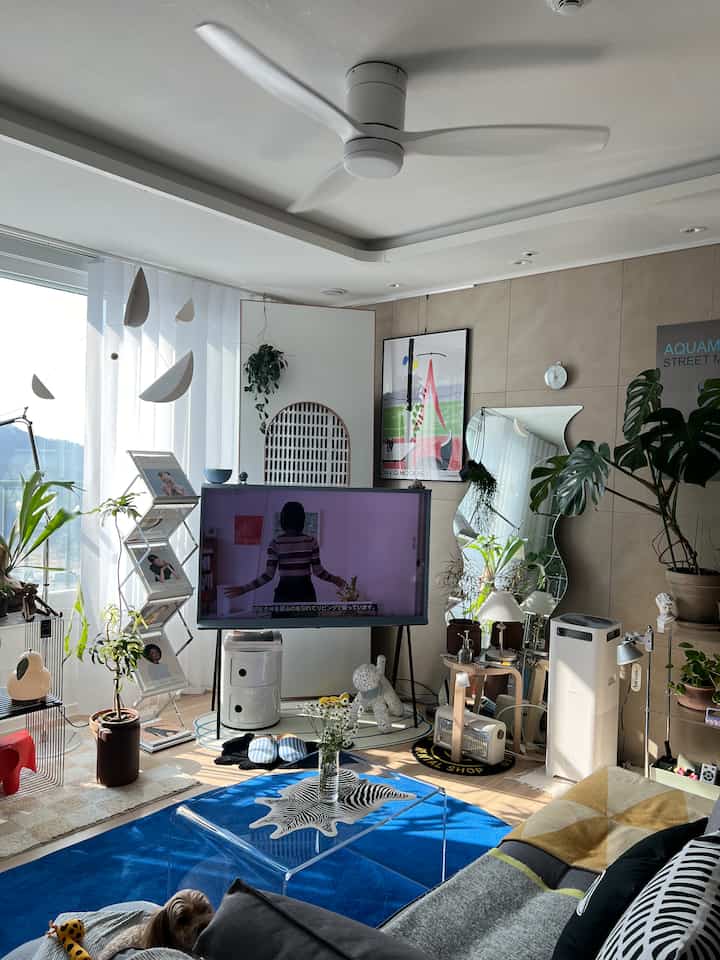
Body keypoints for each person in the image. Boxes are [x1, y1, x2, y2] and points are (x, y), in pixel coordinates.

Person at [224, 501, 346, 608]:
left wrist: (244, 589)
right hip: (306, 594)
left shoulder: (275, 543)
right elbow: (318, 572)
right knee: (307, 630)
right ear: (302, 520)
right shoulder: (311, 541)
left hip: (284, 594)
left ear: (283, 520)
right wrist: (336, 580)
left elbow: (268, 575)